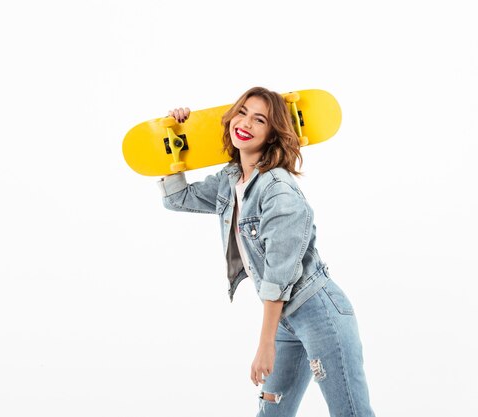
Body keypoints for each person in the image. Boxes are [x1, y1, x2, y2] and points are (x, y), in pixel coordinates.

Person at [157, 87, 375, 417]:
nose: (245, 122)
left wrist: (265, 344)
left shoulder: (279, 189)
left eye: (260, 119)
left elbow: (279, 275)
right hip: (286, 318)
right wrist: (175, 138)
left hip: (319, 314)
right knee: (272, 414)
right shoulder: (231, 179)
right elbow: (177, 198)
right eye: (242, 112)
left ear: (273, 133)